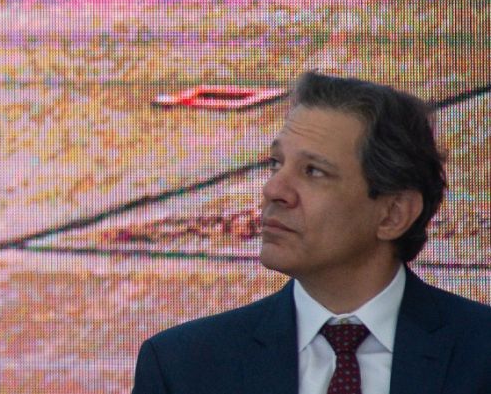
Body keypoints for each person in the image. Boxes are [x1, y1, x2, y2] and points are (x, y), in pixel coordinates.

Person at [132, 71, 491, 394]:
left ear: (393, 214)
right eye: (276, 164)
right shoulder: (183, 368)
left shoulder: (480, 355)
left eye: (313, 172)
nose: (274, 190)